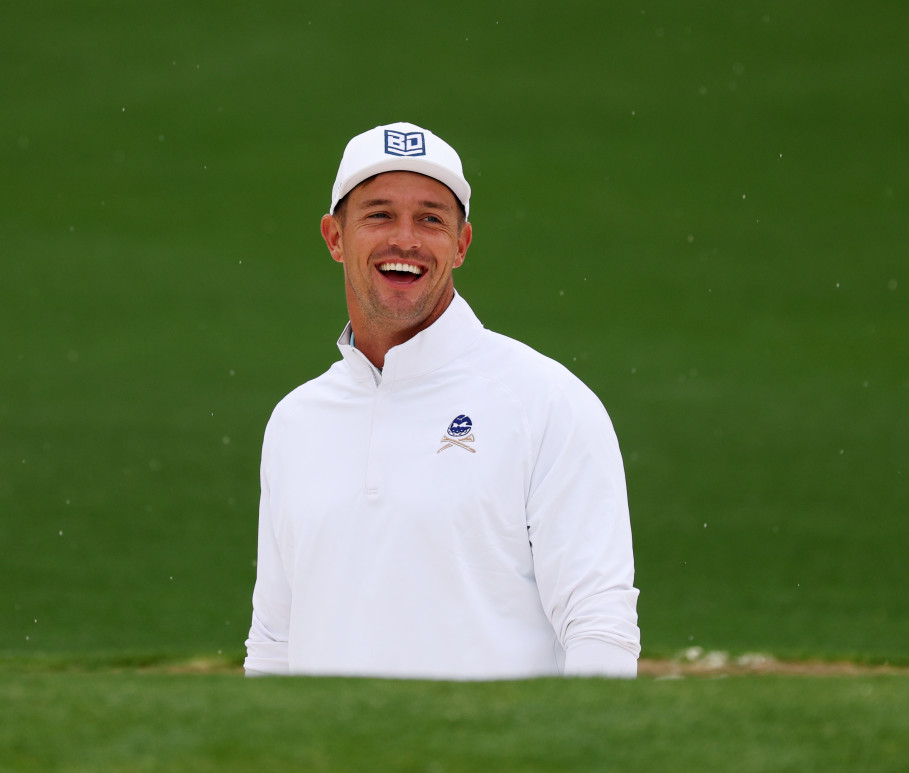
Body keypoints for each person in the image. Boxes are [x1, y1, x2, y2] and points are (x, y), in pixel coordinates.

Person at [243, 122, 641, 680]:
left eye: (430, 218)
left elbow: (599, 622)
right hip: (324, 764)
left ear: (461, 244)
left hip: (497, 763)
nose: (404, 239)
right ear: (335, 237)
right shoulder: (296, 421)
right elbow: (273, 641)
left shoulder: (546, 402)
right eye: (379, 214)